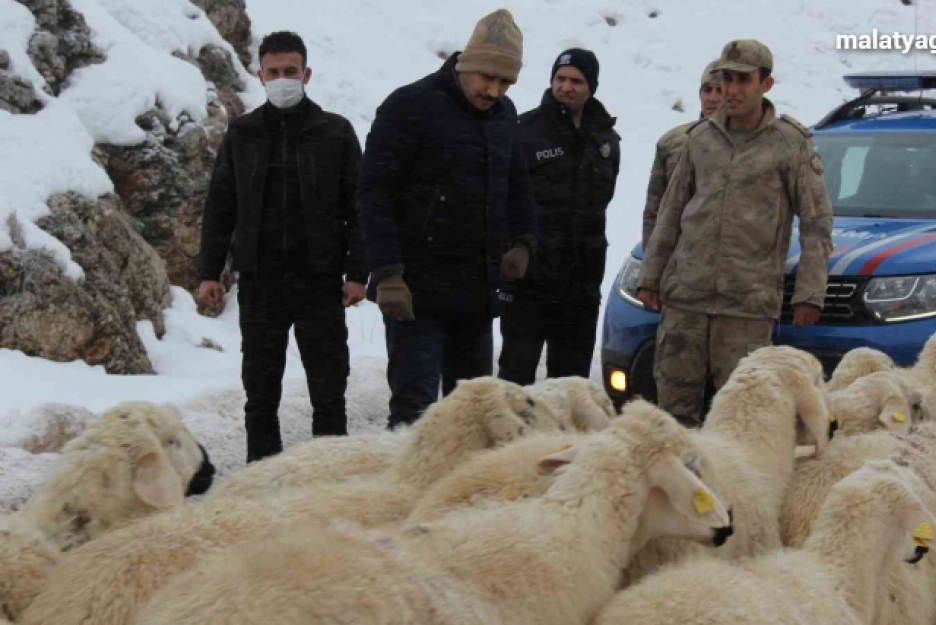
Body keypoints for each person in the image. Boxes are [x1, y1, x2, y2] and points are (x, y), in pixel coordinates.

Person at [636, 39, 833, 426]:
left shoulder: (790, 145)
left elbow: (816, 222)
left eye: (743, 80)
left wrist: (811, 292)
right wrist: (651, 276)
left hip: (746, 307)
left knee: (741, 420)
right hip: (686, 303)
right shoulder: (699, 140)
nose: (732, 90)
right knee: (673, 417)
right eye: (727, 79)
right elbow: (670, 213)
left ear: (766, 84)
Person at [357, 9, 538, 429]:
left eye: (505, 82)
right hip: (415, 294)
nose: (494, 90)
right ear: (465, 64)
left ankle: (461, 495)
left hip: (475, 293)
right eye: (486, 78)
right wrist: (387, 274)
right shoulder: (409, 107)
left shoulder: (504, 117)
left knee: (474, 416)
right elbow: (373, 193)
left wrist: (524, 241)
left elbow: (517, 184)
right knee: (414, 416)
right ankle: (402, 495)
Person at [196, 31, 368, 462]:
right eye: (273, 72)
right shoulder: (242, 134)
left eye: (290, 71)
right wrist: (207, 273)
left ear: (306, 74)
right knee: (260, 392)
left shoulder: (336, 132)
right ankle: (262, 482)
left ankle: (329, 477)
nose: (282, 79)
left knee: (329, 390)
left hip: (320, 281)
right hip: (260, 283)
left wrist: (357, 273)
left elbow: (359, 207)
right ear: (259, 76)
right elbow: (221, 207)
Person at [497, 48, 620, 386]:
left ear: (591, 86)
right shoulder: (524, 130)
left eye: (576, 81)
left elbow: (603, 202)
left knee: (571, 388)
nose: (566, 87)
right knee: (514, 383)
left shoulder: (606, 138)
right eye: (560, 79)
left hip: (580, 285)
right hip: (528, 282)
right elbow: (504, 201)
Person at [642, 60, 722, 249]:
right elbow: (654, 211)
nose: (712, 98)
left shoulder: (753, 146)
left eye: (720, 90)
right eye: (707, 90)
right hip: (679, 259)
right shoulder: (672, 142)